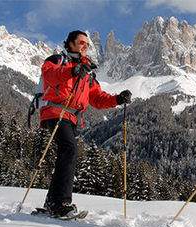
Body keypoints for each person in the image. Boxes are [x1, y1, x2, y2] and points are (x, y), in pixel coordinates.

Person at [39, 30, 132, 217]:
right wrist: (72, 70)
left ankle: (52, 201)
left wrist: (117, 99)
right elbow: (50, 75)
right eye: (81, 42)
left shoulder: (88, 71)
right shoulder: (57, 60)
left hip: (72, 117)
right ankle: (60, 203)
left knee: (68, 153)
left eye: (87, 44)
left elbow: (97, 98)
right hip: (55, 111)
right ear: (70, 43)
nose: (85, 46)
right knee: (70, 149)